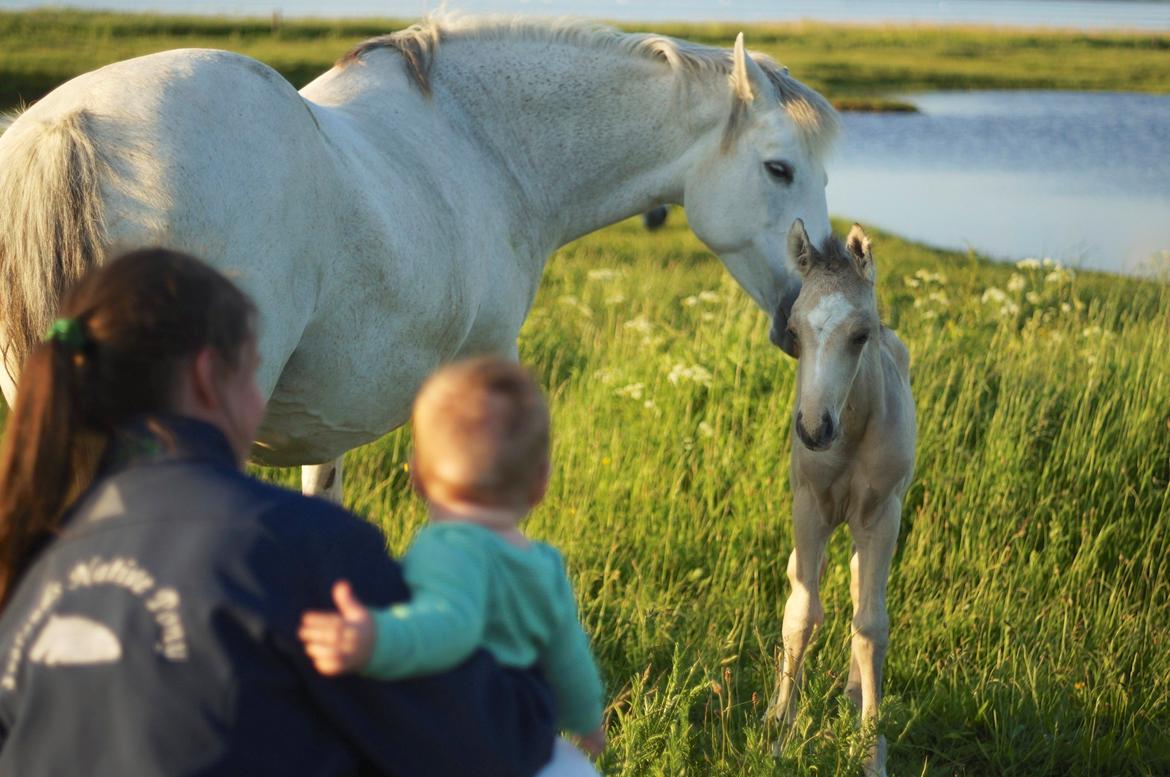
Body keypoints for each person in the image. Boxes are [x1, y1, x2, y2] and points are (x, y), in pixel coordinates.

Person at [0, 248, 559, 776]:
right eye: (252, 374)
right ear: (205, 375)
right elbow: (496, 742)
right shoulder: (300, 542)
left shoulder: (24, 563)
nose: (260, 404)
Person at [298, 357, 607, 768]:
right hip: (530, 741)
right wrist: (587, 719)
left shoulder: (447, 549)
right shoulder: (544, 564)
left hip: (461, 740)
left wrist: (376, 639)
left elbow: (451, 625)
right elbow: (569, 655)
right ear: (541, 483)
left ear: (417, 478)